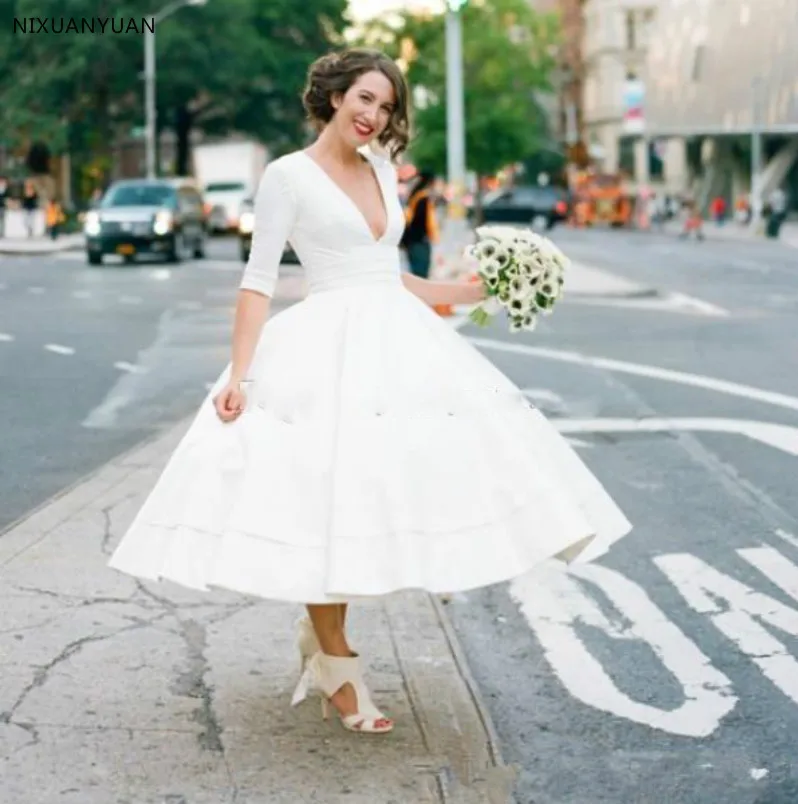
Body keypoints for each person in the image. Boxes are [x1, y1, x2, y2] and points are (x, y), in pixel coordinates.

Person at [108, 47, 631, 735]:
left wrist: (478, 289)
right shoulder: (287, 177)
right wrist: (241, 375)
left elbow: (396, 279)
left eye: (385, 105)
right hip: (323, 350)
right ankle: (338, 662)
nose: (374, 115)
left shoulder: (384, 169)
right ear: (332, 96)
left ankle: (326, 650)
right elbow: (258, 281)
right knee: (327, 502)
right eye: (364, 99)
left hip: (399, 344)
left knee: (373, 501)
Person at [400, 169, 438, 278]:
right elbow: (421, 222)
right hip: (419, 242)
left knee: (416, 274)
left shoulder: (415, 196)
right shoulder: (423, 198)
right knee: (421, 275)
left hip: (413, 242)